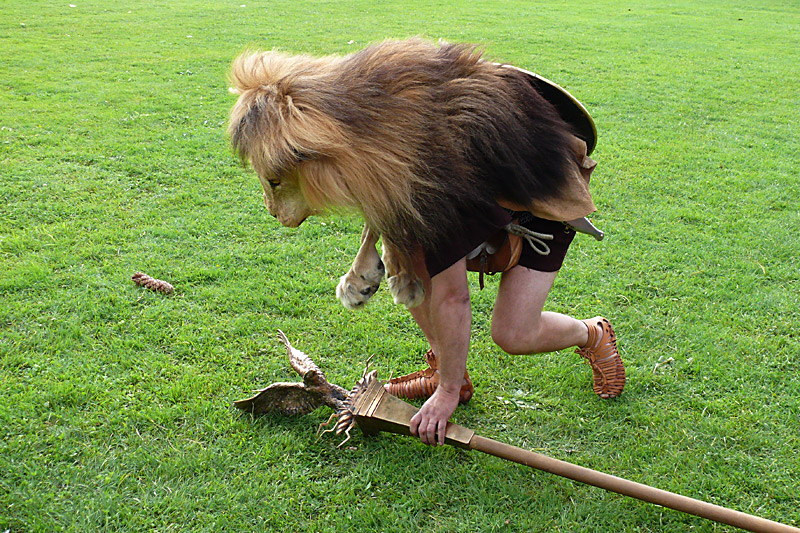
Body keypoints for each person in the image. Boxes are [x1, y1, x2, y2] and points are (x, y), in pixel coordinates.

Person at [385, 138, 626, 447]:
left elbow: (453, 297)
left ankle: (592, 334)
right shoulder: (393, 175)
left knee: (514, 334)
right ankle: (446, 371)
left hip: (546, 196)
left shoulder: (438, 185)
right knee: (403, 258)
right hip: (488, 189)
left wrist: (445, 396)